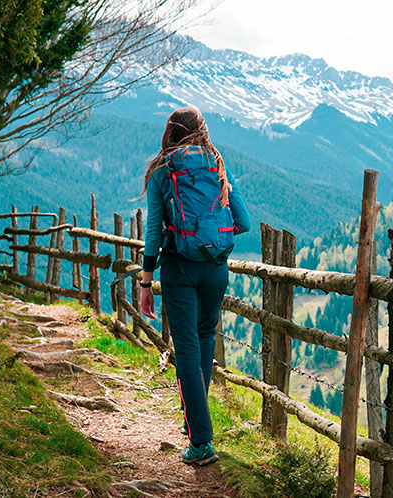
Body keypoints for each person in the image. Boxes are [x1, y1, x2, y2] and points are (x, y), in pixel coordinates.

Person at [137, 106, 250, 466]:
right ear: (200, 129)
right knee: (204, 338)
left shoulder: (161, 170)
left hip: (179, 268)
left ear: (170, 131)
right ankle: (195, 425)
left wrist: (145, 279)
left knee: (185, 347)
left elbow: (154, 229)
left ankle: (201, 442)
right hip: (216, 268)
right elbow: (244, 221)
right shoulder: (218, 164)